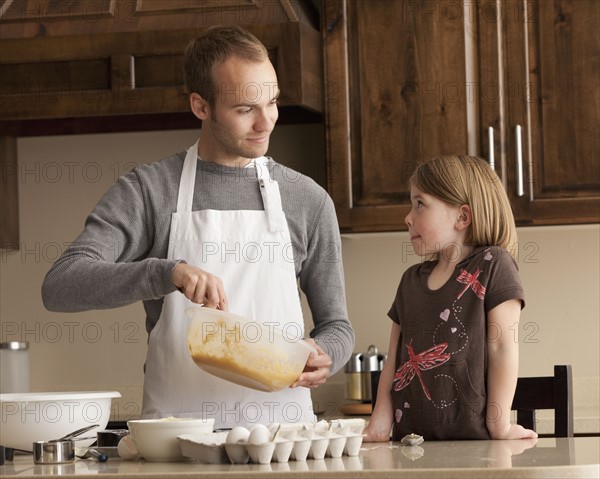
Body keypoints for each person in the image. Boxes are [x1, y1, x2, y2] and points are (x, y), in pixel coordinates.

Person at [42, 25, 354, 428]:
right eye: (245, 109)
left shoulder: (307, 199)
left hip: (283, 441)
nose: (266, 123)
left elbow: (338, 326)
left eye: (272, 103)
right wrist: (165, 271)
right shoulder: (149, 190)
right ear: (200, 106)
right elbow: (60, 286)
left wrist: (324, 351)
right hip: (175, 443)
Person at [364, 155, 538, 441]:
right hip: (412, 447)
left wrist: (500, 425)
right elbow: (393, 362)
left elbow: (502, 348)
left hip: (475, 449)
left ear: (462, 217)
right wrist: (379, 425)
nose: (408, 216)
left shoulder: (494, 265)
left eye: (420, 204)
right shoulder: (410, 281)